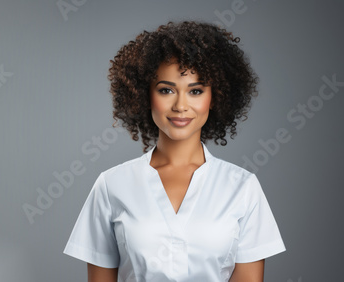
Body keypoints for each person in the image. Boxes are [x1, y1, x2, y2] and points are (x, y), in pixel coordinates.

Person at [63, 20, 286, 282]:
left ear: (216, 97)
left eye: (196, 90)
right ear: (144, 95)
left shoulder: (243, 188)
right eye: (166, 90)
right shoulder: (112, 186)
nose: (181, 105)